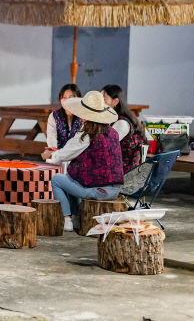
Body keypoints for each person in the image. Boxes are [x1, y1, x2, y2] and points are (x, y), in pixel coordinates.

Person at [42, 90, 123, 232]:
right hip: (114, 189)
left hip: (98, 191)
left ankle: (66, 218)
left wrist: (49, 155)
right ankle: (75, 217)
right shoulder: (112, 132)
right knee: (71, 179)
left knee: (57, 180)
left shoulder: (87, 134)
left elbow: (65, 154)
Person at [101, 84, 145, 172]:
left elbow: (104, 146)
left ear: (115, 101)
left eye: (104, 99)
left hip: (123, 174)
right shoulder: (110, 120)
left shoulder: (121, 123)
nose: (100, 102)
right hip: (115, 170)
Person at [43, 84, 83, 155]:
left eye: (71, 97)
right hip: (58, 154)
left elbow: (81, 142)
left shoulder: (83, 117)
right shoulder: (54, 116)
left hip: (78, 155)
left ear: (78, 98)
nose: (67, 101)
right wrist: (54, 150)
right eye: (64, 97)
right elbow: (51, 137)